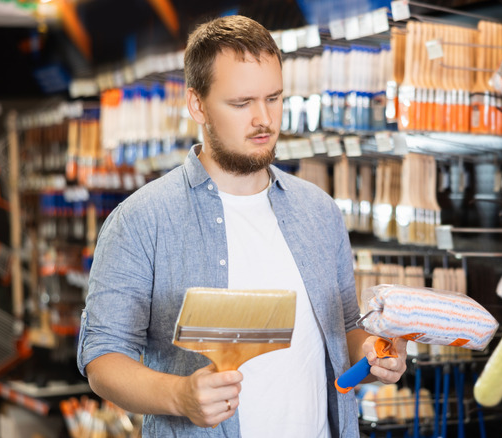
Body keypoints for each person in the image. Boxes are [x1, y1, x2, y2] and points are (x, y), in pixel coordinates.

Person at [77, 14, 407, 437]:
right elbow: (103, 358)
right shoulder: (141, 221)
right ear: (197, 105)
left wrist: (376, 354)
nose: (263, 119)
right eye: (241, 103)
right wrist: (180, 396)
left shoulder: (320, 212)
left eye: (274, 98)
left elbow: (343, 331)